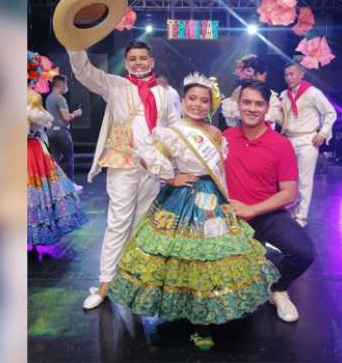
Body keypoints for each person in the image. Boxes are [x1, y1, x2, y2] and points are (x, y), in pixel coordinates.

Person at [108, 73, 279, 351]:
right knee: (182, 259)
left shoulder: (214, 132)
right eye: (192, 99)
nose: (198, 105)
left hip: (213, 199)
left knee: (212, 258)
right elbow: (146, 156)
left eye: (204, 100)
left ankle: (205, 318)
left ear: (210, 103)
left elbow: (220, 166)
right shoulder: (173, 131)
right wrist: (171, 177)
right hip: (181, 199)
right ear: (183, 99)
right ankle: (193, 318)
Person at [68, 40, 180, 310]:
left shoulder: (165, 94)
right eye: (133, 58)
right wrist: (74, 43)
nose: (138, 62)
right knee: (118, 222)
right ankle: (106, 282)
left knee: (142, 224)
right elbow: (84, 73)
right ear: (127, 62)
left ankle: (133, 277)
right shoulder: (116, 86)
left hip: (152, 169)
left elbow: (175, 129)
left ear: (151, 61)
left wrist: (175, 165)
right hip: (123, 163)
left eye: (143, 58)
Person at [223, 80, 316, 323]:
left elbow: (289, 193)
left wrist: (252, 209)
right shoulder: (225, 137)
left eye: (258, 104)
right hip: (230, 217)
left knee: (303, 252)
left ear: (267, 108)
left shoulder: (280, 144)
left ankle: (278, 290)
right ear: (238, 105)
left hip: (265, 213)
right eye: (247, 102)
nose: (252, 108)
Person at [27, 84, 88, 260]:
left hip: (33, 150)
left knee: (36, 191)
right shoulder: (37, 105)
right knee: (41, 190)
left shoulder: (37, 104)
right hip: (34, 150)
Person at [279, 61, 337, 227]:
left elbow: (330, 112)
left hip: (307, 140)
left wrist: (323, 132)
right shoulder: (284, 94)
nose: (289, 78)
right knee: (288, 178)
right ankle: (290, 209)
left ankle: (302, 215)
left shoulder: (313, 92)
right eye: (286, 75)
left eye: (292, 74)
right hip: (288, 140)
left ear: (301, 74)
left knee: (304, 179)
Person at [220, 54, 281, 127]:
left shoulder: (270, 94)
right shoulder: (238, 91)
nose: (248, 76)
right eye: (246, 73)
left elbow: (271, 118)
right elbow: (230, 118)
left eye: (251, 74)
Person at [45, 75, 83, 190]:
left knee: (55, 160)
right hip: (61, 132)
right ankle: (69, 185)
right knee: (69, 158)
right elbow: (66, 117)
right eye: (65, 84)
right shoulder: (60, 98)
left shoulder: (49, 98)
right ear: (61, 84)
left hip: (51, 132)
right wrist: (76, 113)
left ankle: (54, 185)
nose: (66, 87)